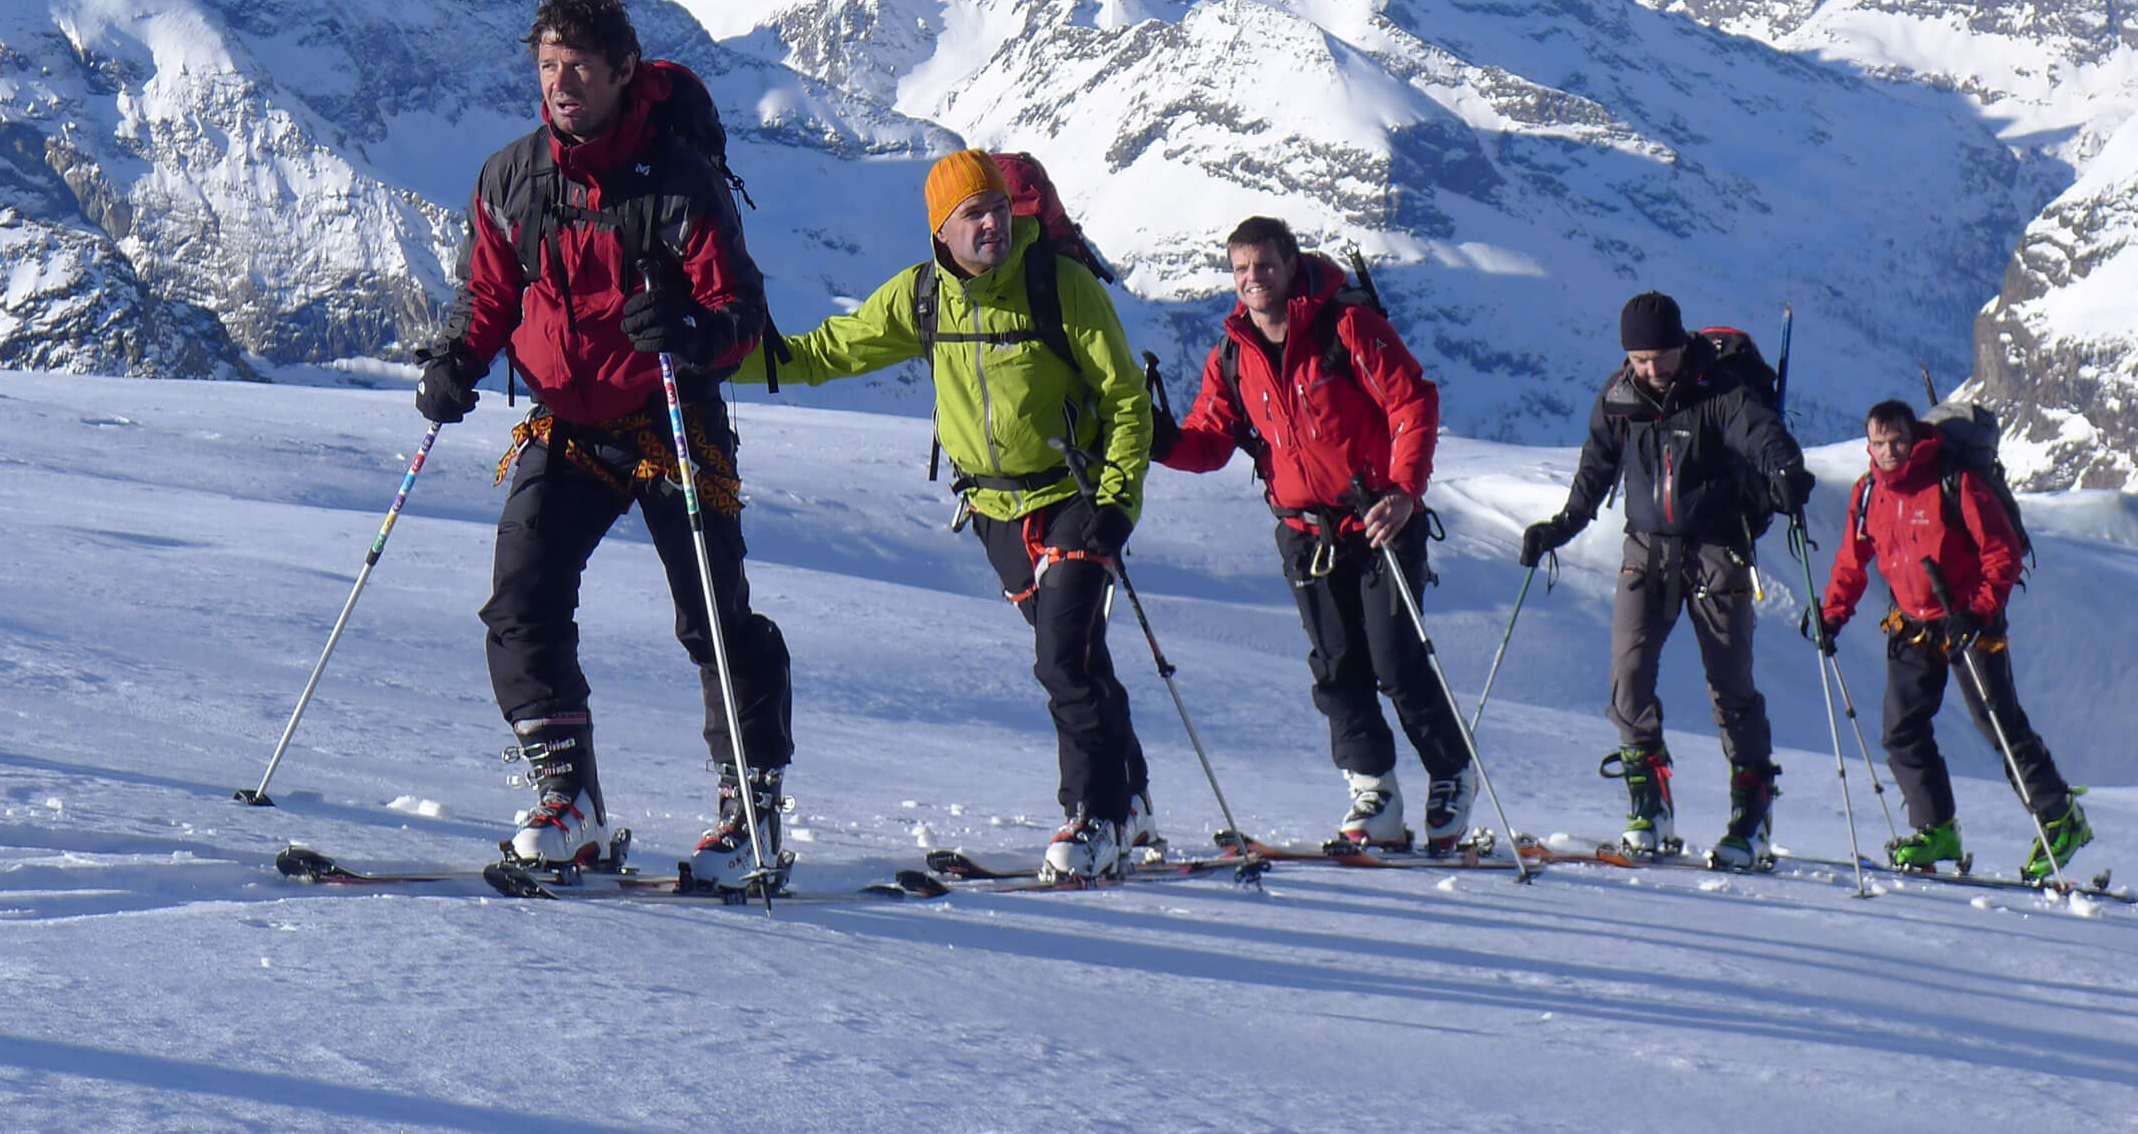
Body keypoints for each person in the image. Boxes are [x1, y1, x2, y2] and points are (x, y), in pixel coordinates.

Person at [414, 0, 792, 888]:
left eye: (580, 65)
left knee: (713, 617)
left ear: (625, 72)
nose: (561, 82)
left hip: (672, 419)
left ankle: (752, 812)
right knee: (522, 601)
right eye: (548, 65)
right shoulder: (511, 178)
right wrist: (456, 358)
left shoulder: (680, 182)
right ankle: (569, 800)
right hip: (569, 424)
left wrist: (693, 333)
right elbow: (490, 293)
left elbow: (740, 310)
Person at [729, 151, 1155, 882]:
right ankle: (1131, 798)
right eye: (973, 214)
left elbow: (1125, 400)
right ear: (941, 230)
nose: (992, 224)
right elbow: (831, 351)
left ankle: (1098, 816)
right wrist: (721, 360)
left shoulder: (1061, 286)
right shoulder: (922, 297)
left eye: (998, 208)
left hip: (1074, 499)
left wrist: (1116, 501)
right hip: (993, 509)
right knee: (1078, 657)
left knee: (1063, 657)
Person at [1153, 217, 1472, 855]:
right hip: (1306, 534)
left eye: (1264, 265)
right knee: (1337, 667)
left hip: (1379, 521)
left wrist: (1404, 491)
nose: (1252, 279)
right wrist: (1156, 439)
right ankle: (1374, 793)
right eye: (1241, 269)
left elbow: (1413, 401)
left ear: (1291, 264)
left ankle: (1450, 773)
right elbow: (1210, 442)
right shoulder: (1233, 355)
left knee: (1397, 662)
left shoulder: (1346, 327)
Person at [1520, 291, 1812, 870]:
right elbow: (1594, 470)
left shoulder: (1719, 390)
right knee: (1628, 675)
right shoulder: (1618, 398)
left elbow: (1760, 433)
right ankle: (1649, 804)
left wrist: (1785, 469)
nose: (1651, 369)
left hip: (1718, 549)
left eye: (1661, 357)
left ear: (1682, 344)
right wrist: (1560, 527)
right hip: (1646, 549)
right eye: (1640, 359)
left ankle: (1751, 814)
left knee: (1730, 684)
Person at [1816, 399, 2090, 879]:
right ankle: (1935, 828)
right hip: (1912, 623)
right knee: (1902, 730)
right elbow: (1852, 559)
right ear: (1868, 445)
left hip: (1968, 620)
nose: (1888, 451)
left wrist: (1979, 611)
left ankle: (2060, 816)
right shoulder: (1868, 492)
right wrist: (1832, 613)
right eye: (1878, 443)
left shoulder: (1954, 481)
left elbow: (2002, 551)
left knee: (1998, 723)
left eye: (1896, 441)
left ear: (1914, 438)